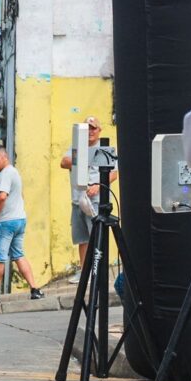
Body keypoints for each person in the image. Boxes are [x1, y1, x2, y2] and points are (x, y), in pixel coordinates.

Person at [59, 116, 118, 283]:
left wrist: (99, 185)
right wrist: (84, 159)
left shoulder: (104, 148)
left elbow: (114, 173)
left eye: (93, 128)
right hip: (78, 200)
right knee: (82, 238)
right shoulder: (77, 147)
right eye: (87, 128)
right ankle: (85, 271)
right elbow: (64, 162)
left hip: (96, 200)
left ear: (99, 130)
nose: (90, 131)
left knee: (97, 236)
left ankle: (98, 271)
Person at [0, 145, 45, 306]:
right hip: (19, 219)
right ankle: (34, 289)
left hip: (5, 222)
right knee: (18, 255)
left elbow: (2, 197)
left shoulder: (5, 174)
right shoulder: (13, 172)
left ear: (5, 157)